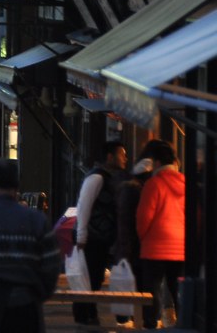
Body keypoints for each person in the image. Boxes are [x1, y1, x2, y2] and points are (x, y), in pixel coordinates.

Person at [0, 158, 61, 332]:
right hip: (24, 307)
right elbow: (51, 268)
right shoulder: (37, 221)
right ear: (16, 187)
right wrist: (36, 295)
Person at [73, 140, 128, 325]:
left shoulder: (110, 177)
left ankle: (90, 313)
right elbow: (84, 206)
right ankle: (85, 315)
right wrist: (81, 236)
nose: (125, 158)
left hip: (101, 237)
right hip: (92, 238)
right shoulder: (96, 177)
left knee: (94, 278)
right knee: (88, 278)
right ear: (110, 157)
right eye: (122, 154)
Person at [137, 140, 185, 330]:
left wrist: (143, 238)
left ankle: (151, 323)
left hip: (154, 248)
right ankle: (184, 320)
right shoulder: (186, 184)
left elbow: (144, 217)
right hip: (180, 247)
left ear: (156, 163)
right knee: (177, 288)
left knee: (153, 289)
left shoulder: (153, 184)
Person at [114, 154, 154, 327]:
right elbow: (129, 223)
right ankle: (141, 321)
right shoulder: (136, 191)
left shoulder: (129, 190)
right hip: (135, 247)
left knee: (132, 285)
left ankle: (129, 320)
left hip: (130, 247)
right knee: (139, 286)